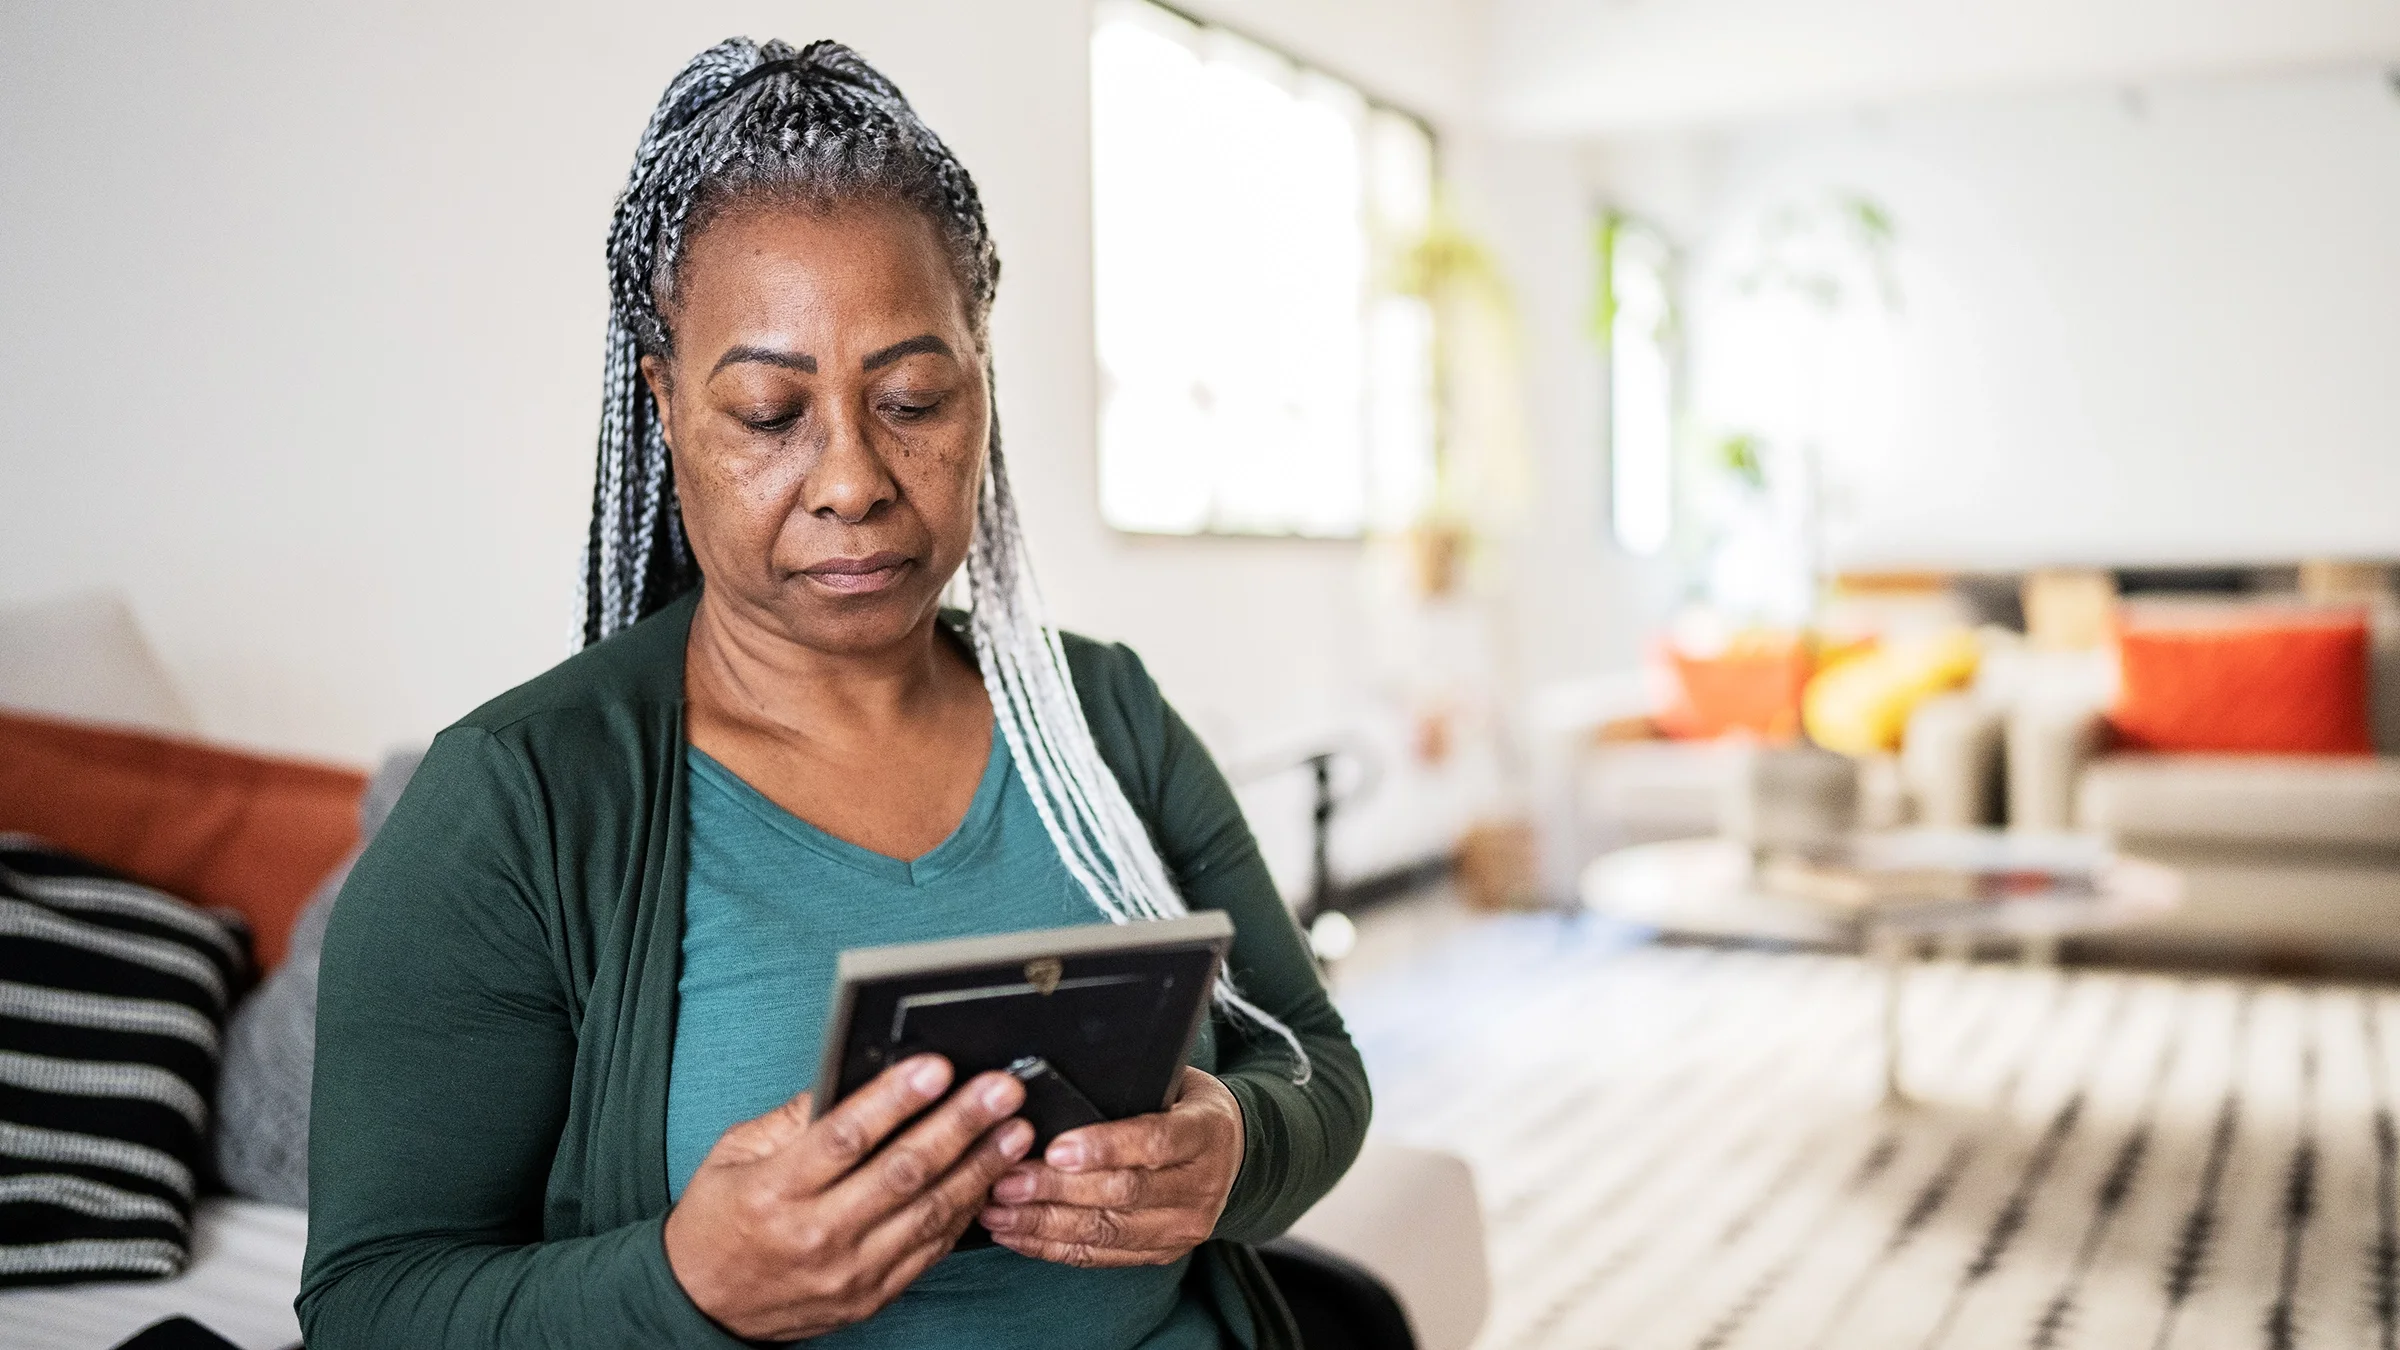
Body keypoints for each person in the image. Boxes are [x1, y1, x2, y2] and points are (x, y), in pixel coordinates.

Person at [297, 36, 1370, 1350]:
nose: (853, 476)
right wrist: (687, 1284)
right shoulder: (513, 808)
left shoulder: (1102, 718)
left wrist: (1234, 1144)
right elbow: (367, 1307)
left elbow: (1314, 1060)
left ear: (983, 380)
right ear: (667, 406)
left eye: (913, 397)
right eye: (767, 413)